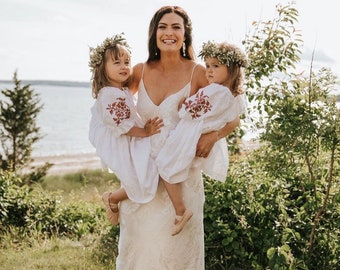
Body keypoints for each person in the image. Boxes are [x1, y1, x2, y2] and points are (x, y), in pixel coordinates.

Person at [115, 6, 241, 269]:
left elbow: (233, 114)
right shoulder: (139, 70)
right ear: (154, 33)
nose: (169, 33)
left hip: (181, 179)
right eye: (163, 27)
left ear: (185, 35)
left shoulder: (199, 72)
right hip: (143, 173)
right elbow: (113, 106)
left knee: (178, 255)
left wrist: (213, 135)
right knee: (140, 251)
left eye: (176, 27)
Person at [88, 33, 163, 225]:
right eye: (117, 62)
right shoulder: (109, 95)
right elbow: (123, 126)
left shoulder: (121, 90)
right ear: (102, 68)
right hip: (118, 140)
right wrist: (145, 132)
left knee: (143, 174)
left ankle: (114, 197)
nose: (124, 66)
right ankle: (112, 198)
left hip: (127, 137)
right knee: (138, 179)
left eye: (127, 62)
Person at [156, 40, 248, 188]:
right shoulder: (233, 95)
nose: (209, 71)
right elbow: (233, 116)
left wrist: (182, 104)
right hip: (200, 135)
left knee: (165, 168)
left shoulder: (215, 90)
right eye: (207, 66)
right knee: (174, 172)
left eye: (215, 66)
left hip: (190, 134)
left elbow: (189, 111)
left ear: (231, 69)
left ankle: (180, 207)